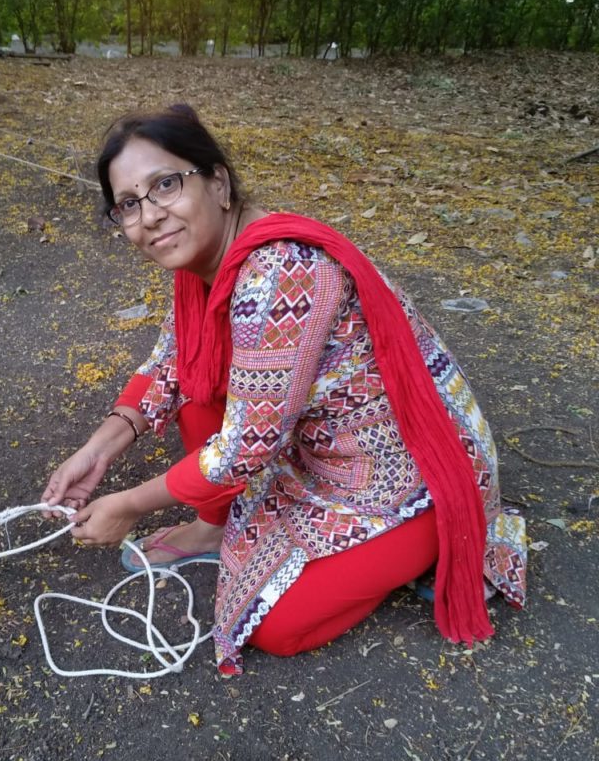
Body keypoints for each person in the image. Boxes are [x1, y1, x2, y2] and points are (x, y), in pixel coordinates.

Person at [41, 104, 526, 677]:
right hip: (320, 449)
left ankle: (424, 551)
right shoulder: (204, 264)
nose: (149, 216)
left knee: (278, 626)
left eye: (165, 185)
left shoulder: (283, 270)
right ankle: (214, 527)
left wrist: (124, 505)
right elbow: (171, 365)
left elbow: (248, 443)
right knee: (201, 386)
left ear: (218, 182)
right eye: (128, 204)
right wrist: (97, 452)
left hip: (407, 480)